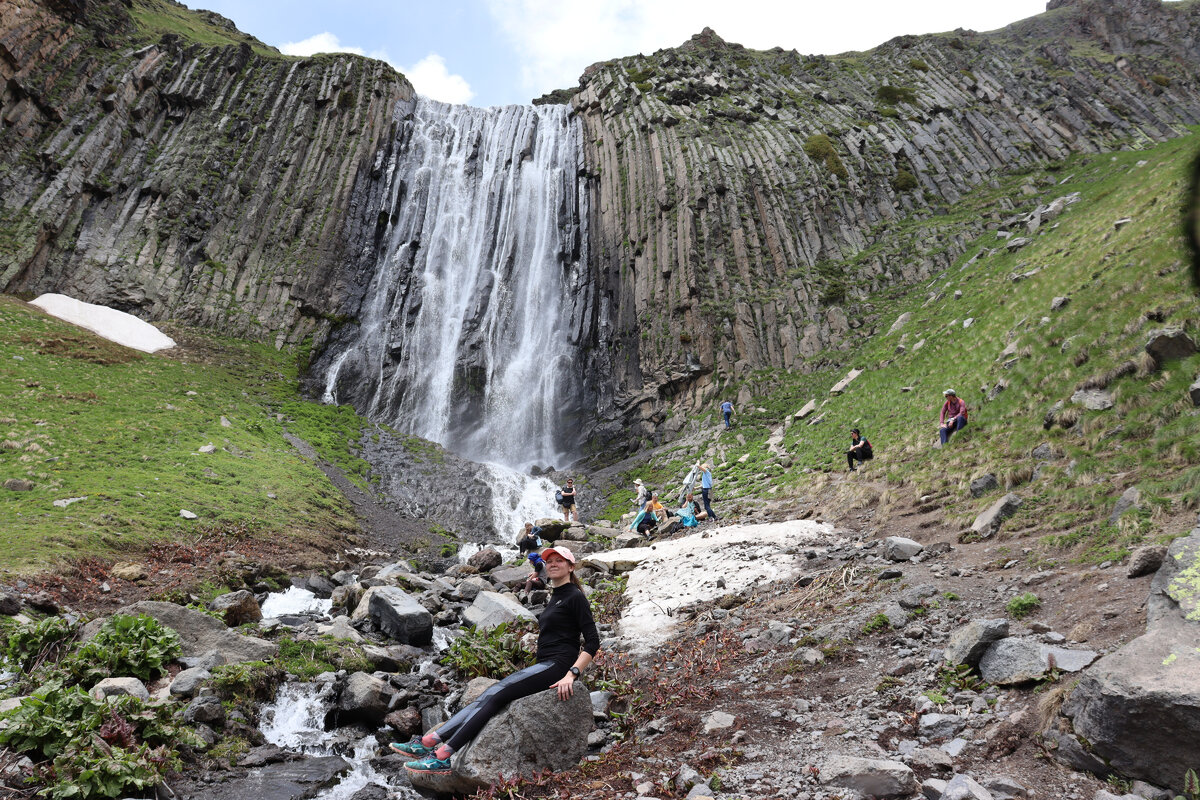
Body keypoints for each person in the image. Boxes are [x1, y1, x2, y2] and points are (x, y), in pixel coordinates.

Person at [392, 545, 599, 773]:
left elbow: (592, 641)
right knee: (488, 694)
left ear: (571, 566)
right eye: (550, 560)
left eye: (560, 560)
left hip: (557, 666)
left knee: (497, 694)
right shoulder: (557, 596)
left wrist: (572, 674)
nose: (553, 563)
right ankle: (427, 743)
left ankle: (443, 755)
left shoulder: (575, 596)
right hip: (544, 664)